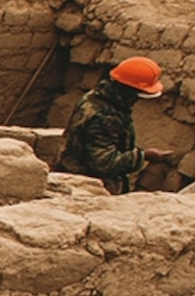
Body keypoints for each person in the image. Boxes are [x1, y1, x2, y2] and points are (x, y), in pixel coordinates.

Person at [61, 56, 162, 193]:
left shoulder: (96, 97)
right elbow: (104, 163)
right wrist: (143, 156)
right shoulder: (105, 117)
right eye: (137, 95)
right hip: (90, 185)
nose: (136, 101)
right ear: (128, 91)